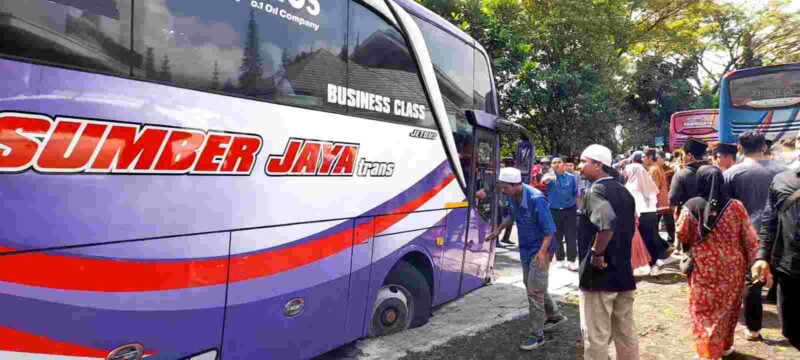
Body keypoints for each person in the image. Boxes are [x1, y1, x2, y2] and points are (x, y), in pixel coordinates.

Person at [676, 166, 758, 359]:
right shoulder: (736, 206)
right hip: (733, 268)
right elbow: (750, 238)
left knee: (704, 312)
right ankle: (725, 346)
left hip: (705, 268)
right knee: (729, 309)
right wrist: (755, 263)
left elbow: (682, 233)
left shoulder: (691, 206)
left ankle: (708, 354)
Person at [487, 167, 568, 350]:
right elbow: (512, 215)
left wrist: (541, 253)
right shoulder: (512, 194)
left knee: (534, 292)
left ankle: (537, 335)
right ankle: (555, 315)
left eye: (505, 187)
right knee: (531, 284)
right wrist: (498, 230)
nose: (502, 190)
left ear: (516, 185)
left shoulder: (536, 198)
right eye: (501, 186)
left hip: (542, 248)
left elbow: (549, 231)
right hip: (525, 247)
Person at [577, 144, 640, 360]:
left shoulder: (595, 191)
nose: (579, 166)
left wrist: (597, 253)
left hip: (598, 276)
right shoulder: (624, 191)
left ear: (598, 164)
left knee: (596, 335)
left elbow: (607, 223)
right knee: (625, 331)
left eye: (583, 161)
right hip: (623, 272)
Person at [723, 131, 787, 342]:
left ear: (740, 149)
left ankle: (753, 329)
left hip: (748, 234)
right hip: (782, 232)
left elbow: (726, 210)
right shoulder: (784, 171)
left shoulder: (732, 173)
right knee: (785, 278)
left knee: (752, 281)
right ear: (764, 147)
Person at [752, 164, 800, 350]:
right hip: (789, 270)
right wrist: (762, 256)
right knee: (790, 330)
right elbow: (769, 220)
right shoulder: (782, 180)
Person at [626, 151, 669, 276]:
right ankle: (654, 264)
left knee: (642, 241)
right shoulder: (648, 183)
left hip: (639, 216)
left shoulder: (631, 186)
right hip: (651, 214)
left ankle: (645, 265)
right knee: (652, 239)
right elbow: (654, 195)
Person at [543, 157, 579, 271]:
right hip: (554, 210)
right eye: (554, 163)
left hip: (570, 210)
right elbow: (543, 181)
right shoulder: (549, 176)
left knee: (571, 236)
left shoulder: (571, 178)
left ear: (563, 165)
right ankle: (559, 259)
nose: (557, 164)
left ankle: (572, 260)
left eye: (559, 162)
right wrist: (547, 178)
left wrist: (577, 208)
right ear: (552, 165)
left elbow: (575, 193)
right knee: (556, 236)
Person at [669, 138, 710, 223]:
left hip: (689, 220)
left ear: (689, 156)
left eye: (683, 155)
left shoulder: (681, 175)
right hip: (710, 219)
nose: (682, 158)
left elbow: (672, 199)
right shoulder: (713, 171)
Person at [651, 150, 676, 250]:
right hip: (657, 200)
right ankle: (658, 240)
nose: (656, 160)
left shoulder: (669, 170)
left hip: (667, 198)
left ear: (663, 159)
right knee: (656, 221)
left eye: (658, 158)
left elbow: (673, 184)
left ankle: (671, 239)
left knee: (669, 220)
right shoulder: (655, 169)